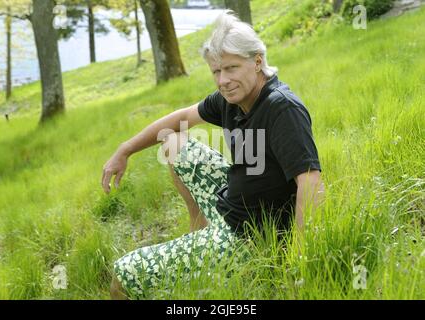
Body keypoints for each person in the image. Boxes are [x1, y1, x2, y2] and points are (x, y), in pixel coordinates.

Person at [102, 11, 324, 300]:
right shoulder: (231, 99)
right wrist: (125, 149)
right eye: (216, 71)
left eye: (231, 68)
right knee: (173, 143)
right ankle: (199, 234)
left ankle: (209, 251)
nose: (223, 80)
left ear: (257, 62)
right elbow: (182, 116)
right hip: (233, 201)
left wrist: (299, 258)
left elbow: (311, 182)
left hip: (249, 237)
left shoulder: (281, 109)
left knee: (121, 278)